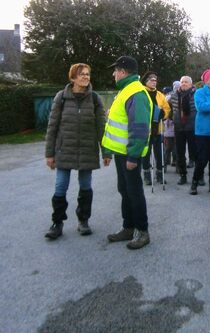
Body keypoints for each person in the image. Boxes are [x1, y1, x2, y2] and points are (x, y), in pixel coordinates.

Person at [44, 63, 109, 239]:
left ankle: (83, 221)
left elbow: (101, 127)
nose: (86, 77)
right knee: (60, 188)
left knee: (86, 187)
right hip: (64, 150)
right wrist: (49, 154)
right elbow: (52, 127)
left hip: (87, 149)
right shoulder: (61, 97)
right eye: (82, 74)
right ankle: (57, 223)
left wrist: (106, 152)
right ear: (73, 78)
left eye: (88, 74)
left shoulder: (95, 99)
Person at [103, 56, 153, 250]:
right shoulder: (125, 91)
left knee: (134, 192)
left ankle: (142, 231)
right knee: (125, 190)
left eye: (115, 70)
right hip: (121, 153)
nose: (113, 74)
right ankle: (128, 227)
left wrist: (133, 156)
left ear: (123, 71)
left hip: (129, 154)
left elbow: (139, 128)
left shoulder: (136, 92)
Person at [141, 71, 171, 185]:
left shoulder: (160, 95)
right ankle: (147, 176)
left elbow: (167, 109)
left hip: (158, 129)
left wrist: (163, 114)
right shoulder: (142, 93)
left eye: (155, 80)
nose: (154, 82)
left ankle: (159, 175)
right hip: (145, 130)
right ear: (146, 81)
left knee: (159, 154)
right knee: (146, 154)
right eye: (151, 80)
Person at [169, 75, 197, 185]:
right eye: (182, 82)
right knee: (180, 153)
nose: (184, 84)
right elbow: (169, 108)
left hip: (192, 127)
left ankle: (198, 176)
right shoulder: (174, 95)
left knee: (195, 152)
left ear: (191, 84)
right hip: (179, 127)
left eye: (186, 82)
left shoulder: (196, 94)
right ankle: (183, 175)